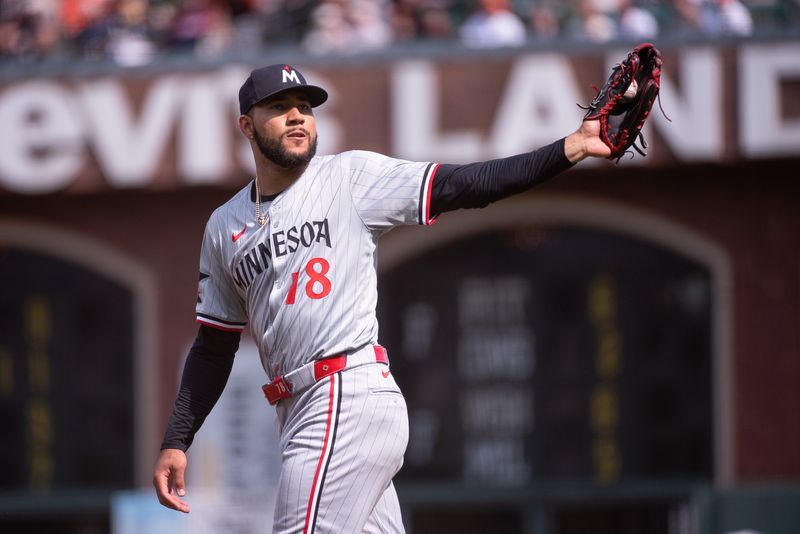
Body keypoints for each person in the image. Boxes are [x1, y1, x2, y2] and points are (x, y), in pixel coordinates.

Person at [152, 63, 611, 532]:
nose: (297, 117)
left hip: (344, 395)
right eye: (279, 107)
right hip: (297, 412)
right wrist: (177, 439)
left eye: (305, 108)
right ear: (246, 125)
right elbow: (213, 347)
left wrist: (569, 148)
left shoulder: (348, 178)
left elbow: (461, 185)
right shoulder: (225, 225)